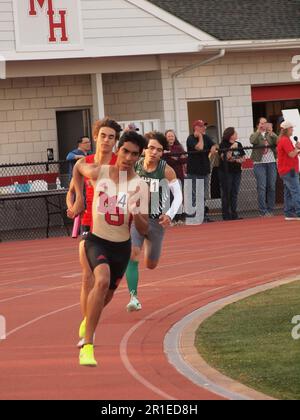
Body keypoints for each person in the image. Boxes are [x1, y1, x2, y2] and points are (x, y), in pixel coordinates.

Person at [68, 130, 149, 367]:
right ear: (118, 150)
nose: (128, 157)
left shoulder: (139, 186)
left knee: (107, 295)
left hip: (121, 247)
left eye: (135, 154)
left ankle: (88, 319)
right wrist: (79, 197)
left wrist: (135, 212)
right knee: (100, 280)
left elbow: (143, 228)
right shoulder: (100, 172)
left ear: (139, 157)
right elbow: (77, 167)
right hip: (96, 239)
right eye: (125, 151)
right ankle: (88, 345)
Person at [66, 118, 119, 347]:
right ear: (95, 137)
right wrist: (74, 204)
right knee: (89, 277)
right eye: (103, 136)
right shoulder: (84, 163)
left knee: (107, 287)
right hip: (90, 224)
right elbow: (71, 192)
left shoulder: (121, 163)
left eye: (112, 137)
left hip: (116, 228)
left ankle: (91, 315)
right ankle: (88, 327)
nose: (107, 140)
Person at [125, 131, 183, 312]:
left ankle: (148, 247)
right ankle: (133, 297)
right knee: (133, 254)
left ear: (162, 152)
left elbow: (179, 196)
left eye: (159, 150)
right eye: (151, 148)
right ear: (144, 150)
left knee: (151, 264)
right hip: (137, 218)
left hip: (156, 221)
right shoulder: (133, 167)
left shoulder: (166, 170)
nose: (154, 152)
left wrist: (170, 215)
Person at [186, 120, 218, 223]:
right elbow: (199, 147)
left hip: (204, 170)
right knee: (196, 194)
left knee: (203, 195)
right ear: (196, 128)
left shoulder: (206, 137)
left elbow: (215, 145)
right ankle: (194, 216)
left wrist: (213, 147)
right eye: (202, 126)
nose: (204, 128)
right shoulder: (191, 138)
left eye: (204, 126)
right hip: (195, 171)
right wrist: (199, 137)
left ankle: (202, 215)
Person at [250, 117, 278, 217]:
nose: (263, 125)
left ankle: (270, 209)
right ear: (258, 125)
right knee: (262, 187)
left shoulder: (270, 134)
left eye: (265, 123)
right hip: (259, 163)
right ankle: (263, 211)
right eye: (261, 123)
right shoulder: (255, 134)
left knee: (271, 186)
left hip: (271, 162)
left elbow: (278, 141)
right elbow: (252, 140)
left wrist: (272, 133)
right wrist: (258, 131)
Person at [218, 127, 246, 220]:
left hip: (237, 171)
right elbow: (224, 157)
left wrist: (239, 160)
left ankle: (234, 214)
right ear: (230, 135)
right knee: (226, 193)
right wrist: (231, 148)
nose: (236, 134)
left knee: (234, 192)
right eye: (235, 133)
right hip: (226, 172)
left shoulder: (239, 144)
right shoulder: (223, 144)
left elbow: (243, 158)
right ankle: (226, 215)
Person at [277, 121, 300, 220]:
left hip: (286, 170)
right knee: (296, 191)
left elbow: (291, 154)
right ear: (286, 130)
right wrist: (297, 148)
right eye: (291, 128)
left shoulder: (284, 140)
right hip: (289, 170)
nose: (292, 130)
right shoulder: (285, 140)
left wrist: (296, 149)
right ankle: (298, 212)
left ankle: (289, 213)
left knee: (288, 192)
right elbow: (291, 154)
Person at [164, 129, 187, 224]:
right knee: (169, 196)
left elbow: (185, 159)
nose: (170, 138)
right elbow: (166, 160)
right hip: (167, 175)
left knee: (179, 196)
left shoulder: (178, 148)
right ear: (165, 138)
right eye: (169, 136)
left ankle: (180, 217)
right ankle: (171, 217)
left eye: (172, 136)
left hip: (178, 175)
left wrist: (173, 157)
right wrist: (173, 157)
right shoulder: (163, 148)